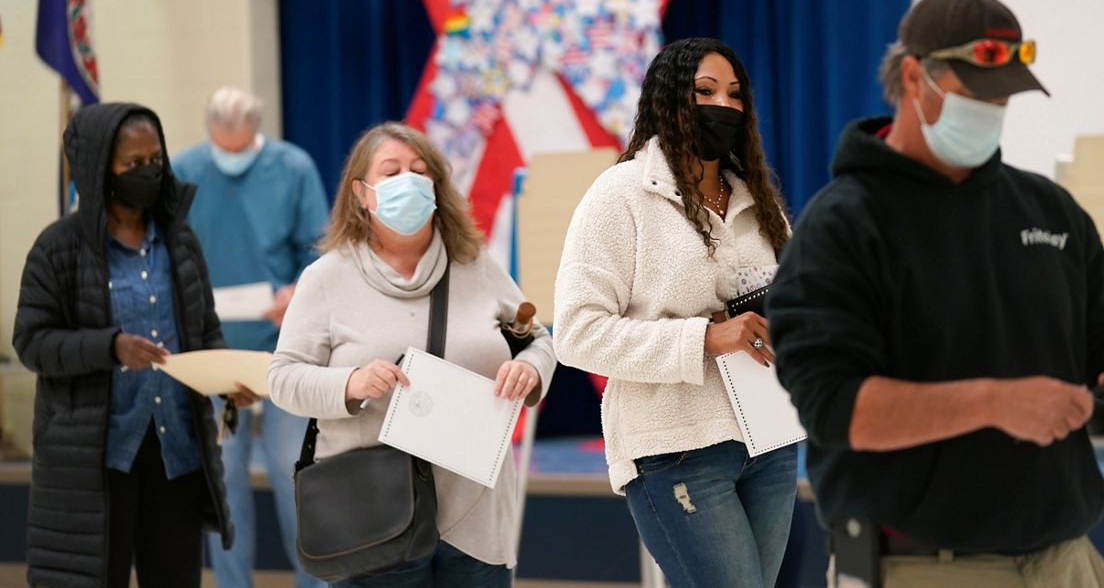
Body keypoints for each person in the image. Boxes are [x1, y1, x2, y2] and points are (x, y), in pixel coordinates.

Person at [770, 0, 1104, 588]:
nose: (993, 108)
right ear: (914, 78)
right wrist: (996, 402)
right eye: (976, 93)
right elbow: (834, 407)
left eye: (1004, 96)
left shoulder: (1050, 211)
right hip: (919, 566)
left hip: (1067, 561)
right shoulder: (844, 225)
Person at [268, 121, 556, 587]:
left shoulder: (475, 264)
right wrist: (350, 383)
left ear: (438, 188)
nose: (409, 180)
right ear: (361, 193)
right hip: (374, 514)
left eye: (420, 171)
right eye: (392, 171)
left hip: (477, 512)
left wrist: (529, 368)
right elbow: (282, 379)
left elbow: (539, 340)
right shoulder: (326, 278)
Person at [554, 37, 796, 588]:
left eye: (735, 95)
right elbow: (575, 332)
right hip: (678, 448)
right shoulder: (620, 194)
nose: (725, 106)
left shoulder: (755, 195)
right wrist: (706, 339)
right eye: (706, 91)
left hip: (771, 438)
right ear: (668, 100)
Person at [13, 102, 244, 588]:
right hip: (96, 462)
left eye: (156, 159)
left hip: (175, 451)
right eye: (133, 164)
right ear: (100, 170)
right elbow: (32, 342)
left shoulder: (180, 241)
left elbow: (203, 331)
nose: (150, 172)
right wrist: (109, 346)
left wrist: (229, 381)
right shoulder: (58, 247)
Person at [171, 86, 329, 588]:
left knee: (295, 474)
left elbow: (321, 253)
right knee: (224, 484)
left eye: (241, 148)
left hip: (284, 348)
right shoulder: (184, 170)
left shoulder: (293, 168)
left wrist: (294, 291)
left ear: (258, 131)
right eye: (223, 148)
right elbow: (170, 255)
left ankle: (314, 582)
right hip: (215, 352)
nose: (231, 158)